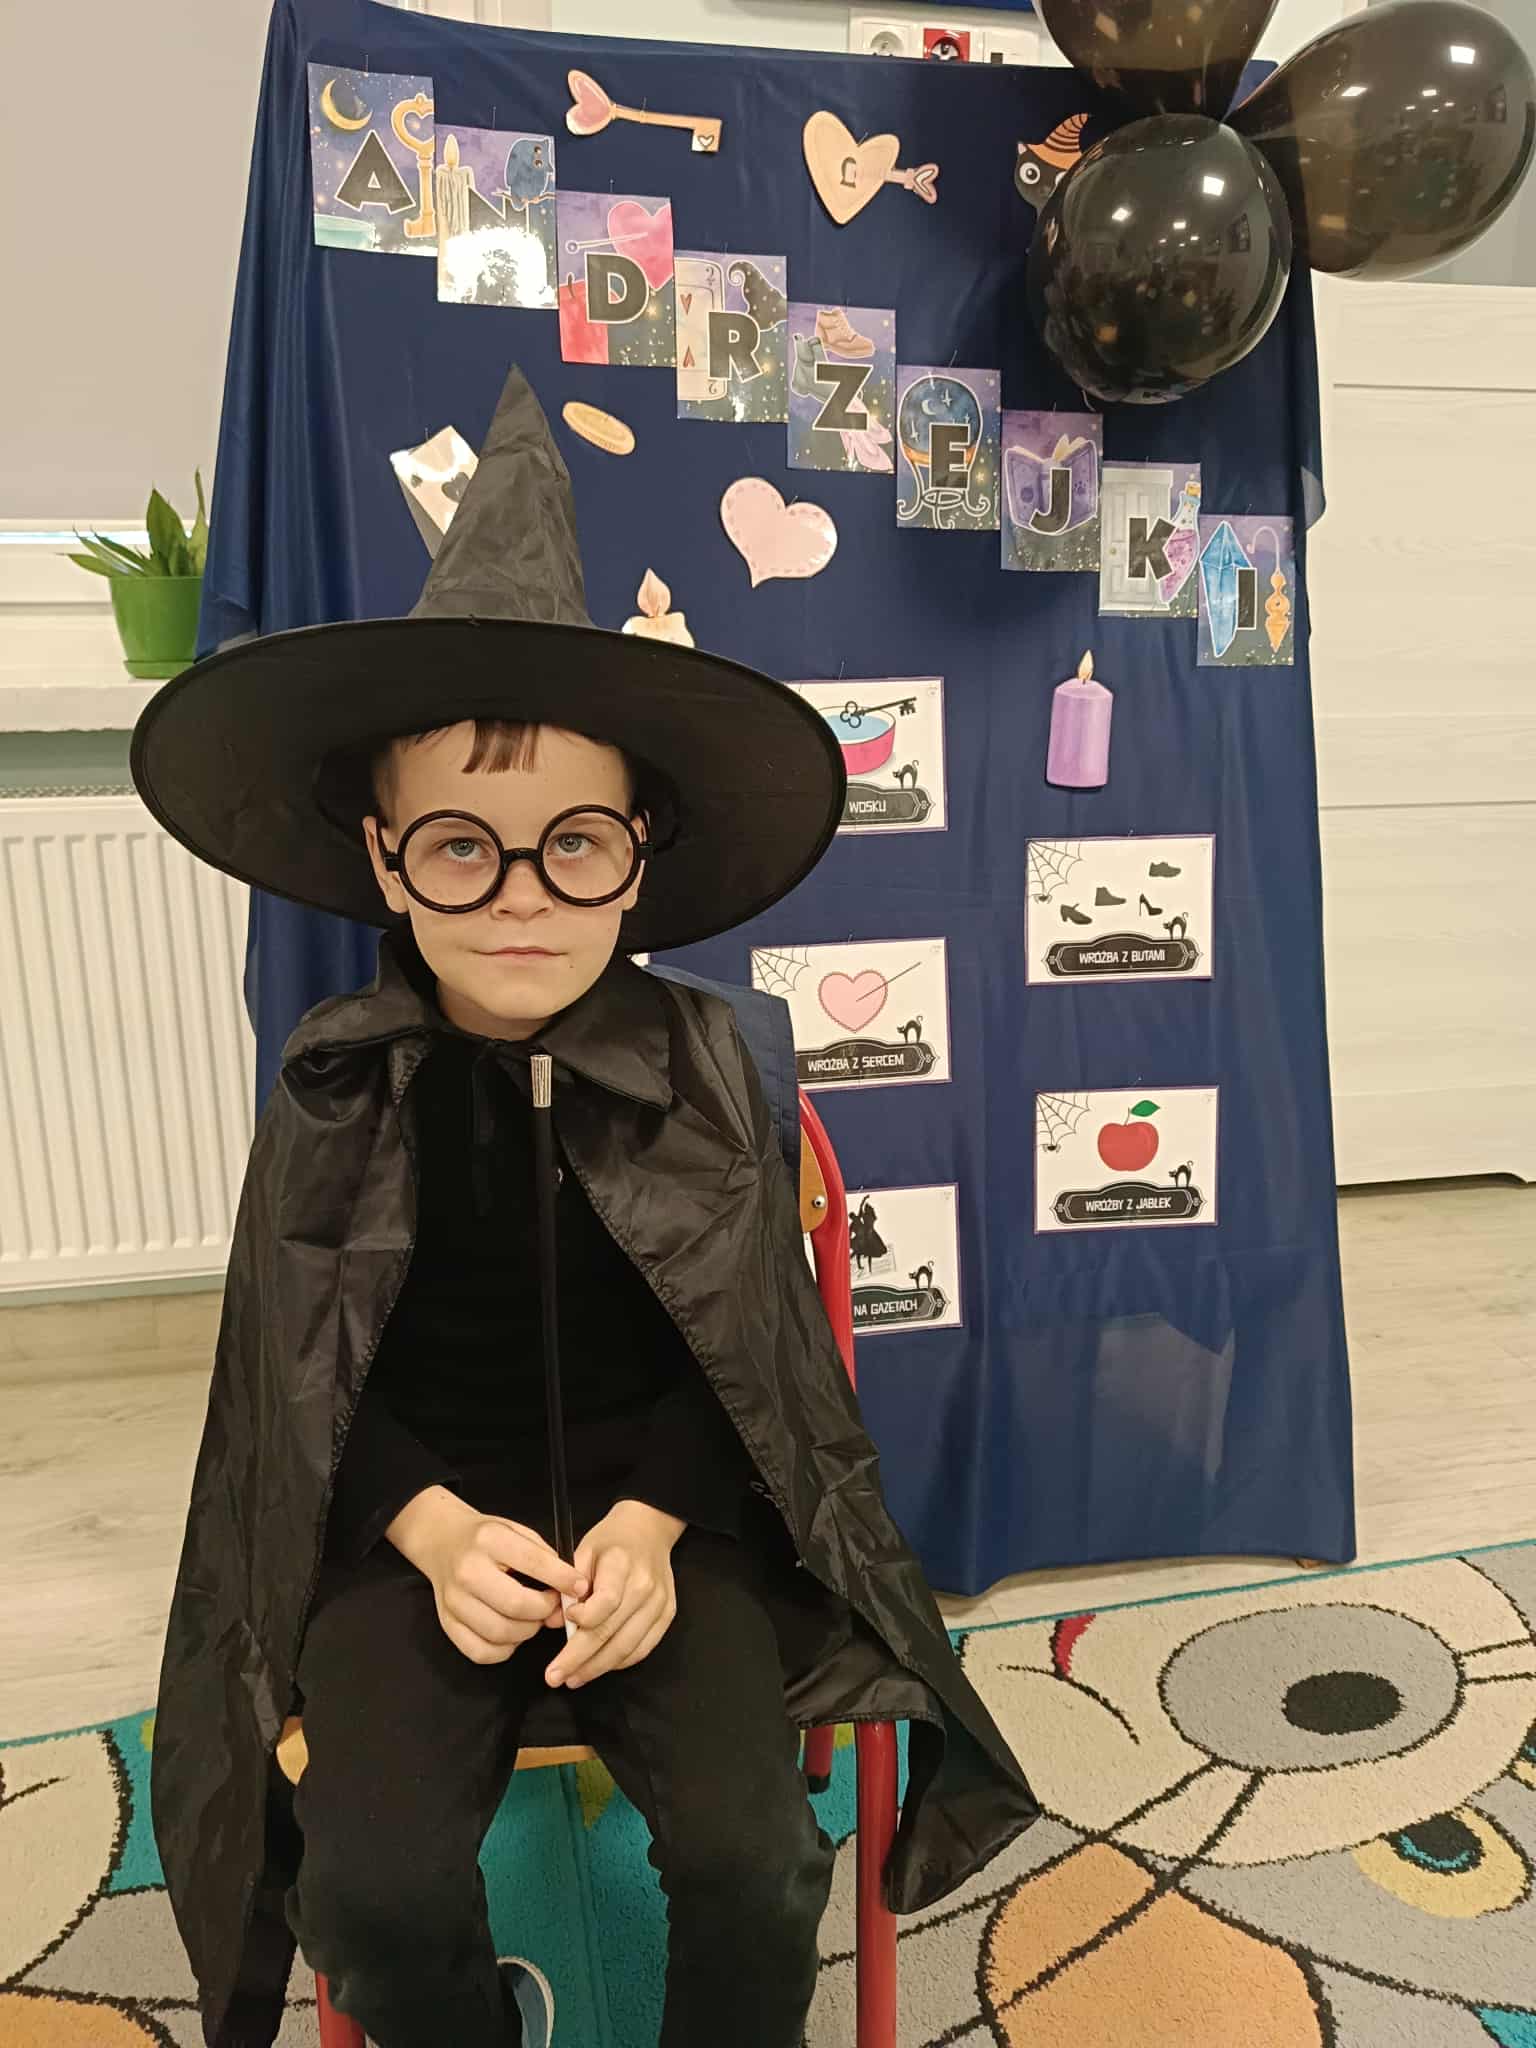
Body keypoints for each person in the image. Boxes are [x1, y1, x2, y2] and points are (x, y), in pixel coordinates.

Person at [132, 366, 1040, 2048]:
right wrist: (426, 1528)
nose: (522, 899)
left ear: (641, 849)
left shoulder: (709, 1069)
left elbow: (753, 1357)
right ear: (386, 857)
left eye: (574, 845)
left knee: (758, 1862)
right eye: (460, 847)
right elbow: (299, 1383)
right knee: (372, 1891)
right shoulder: (339, 1084)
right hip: (415, 1546)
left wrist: (656, 1524)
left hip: (661, 1538)